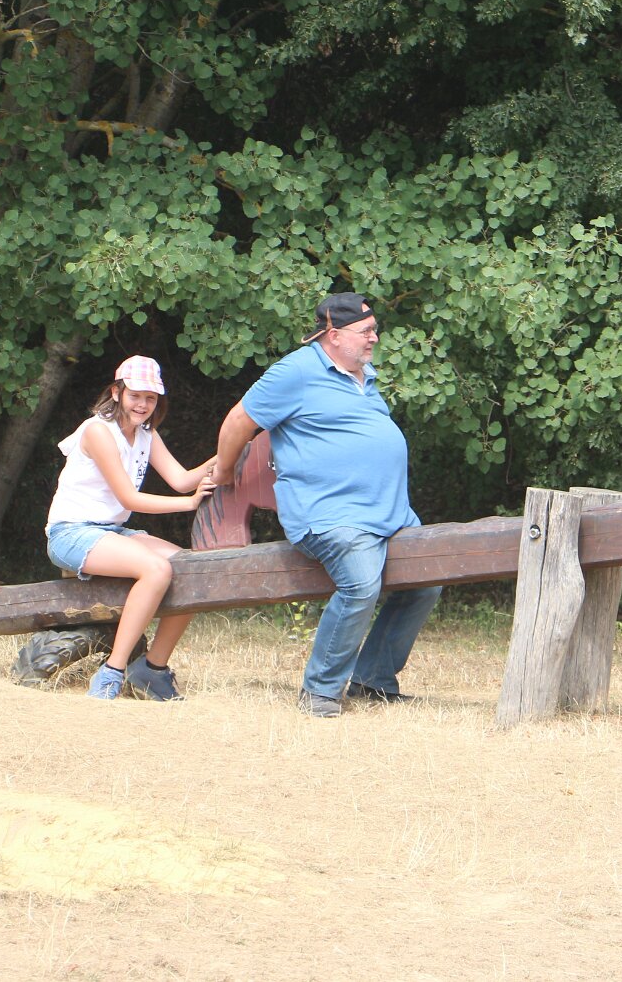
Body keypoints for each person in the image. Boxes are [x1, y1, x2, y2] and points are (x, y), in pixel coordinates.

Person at [213, 292, 443, 718]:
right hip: (330, 514)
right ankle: (320, 689)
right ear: (334, 335)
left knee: (428, 580)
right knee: (360, 585)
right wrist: (226, 471)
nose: (375, 338)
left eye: (375, 329)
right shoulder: (296, 371)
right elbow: (237, 421)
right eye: (366, 331)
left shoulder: (364, 374)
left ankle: (373, 679)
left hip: (390, 513)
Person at [45, 356, 217, 700]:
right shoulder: (97, 431)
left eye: (150, 398)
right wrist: (188, 504)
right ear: (116, 392)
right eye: (135, 395)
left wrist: (231, 451)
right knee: (156, 569)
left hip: (110, 532)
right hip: (71, 533)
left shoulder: (146, 434)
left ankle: (152, 669)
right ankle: (112, 672)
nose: (142, 404)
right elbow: (129, 497)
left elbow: (182, 479)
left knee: (194, 570)